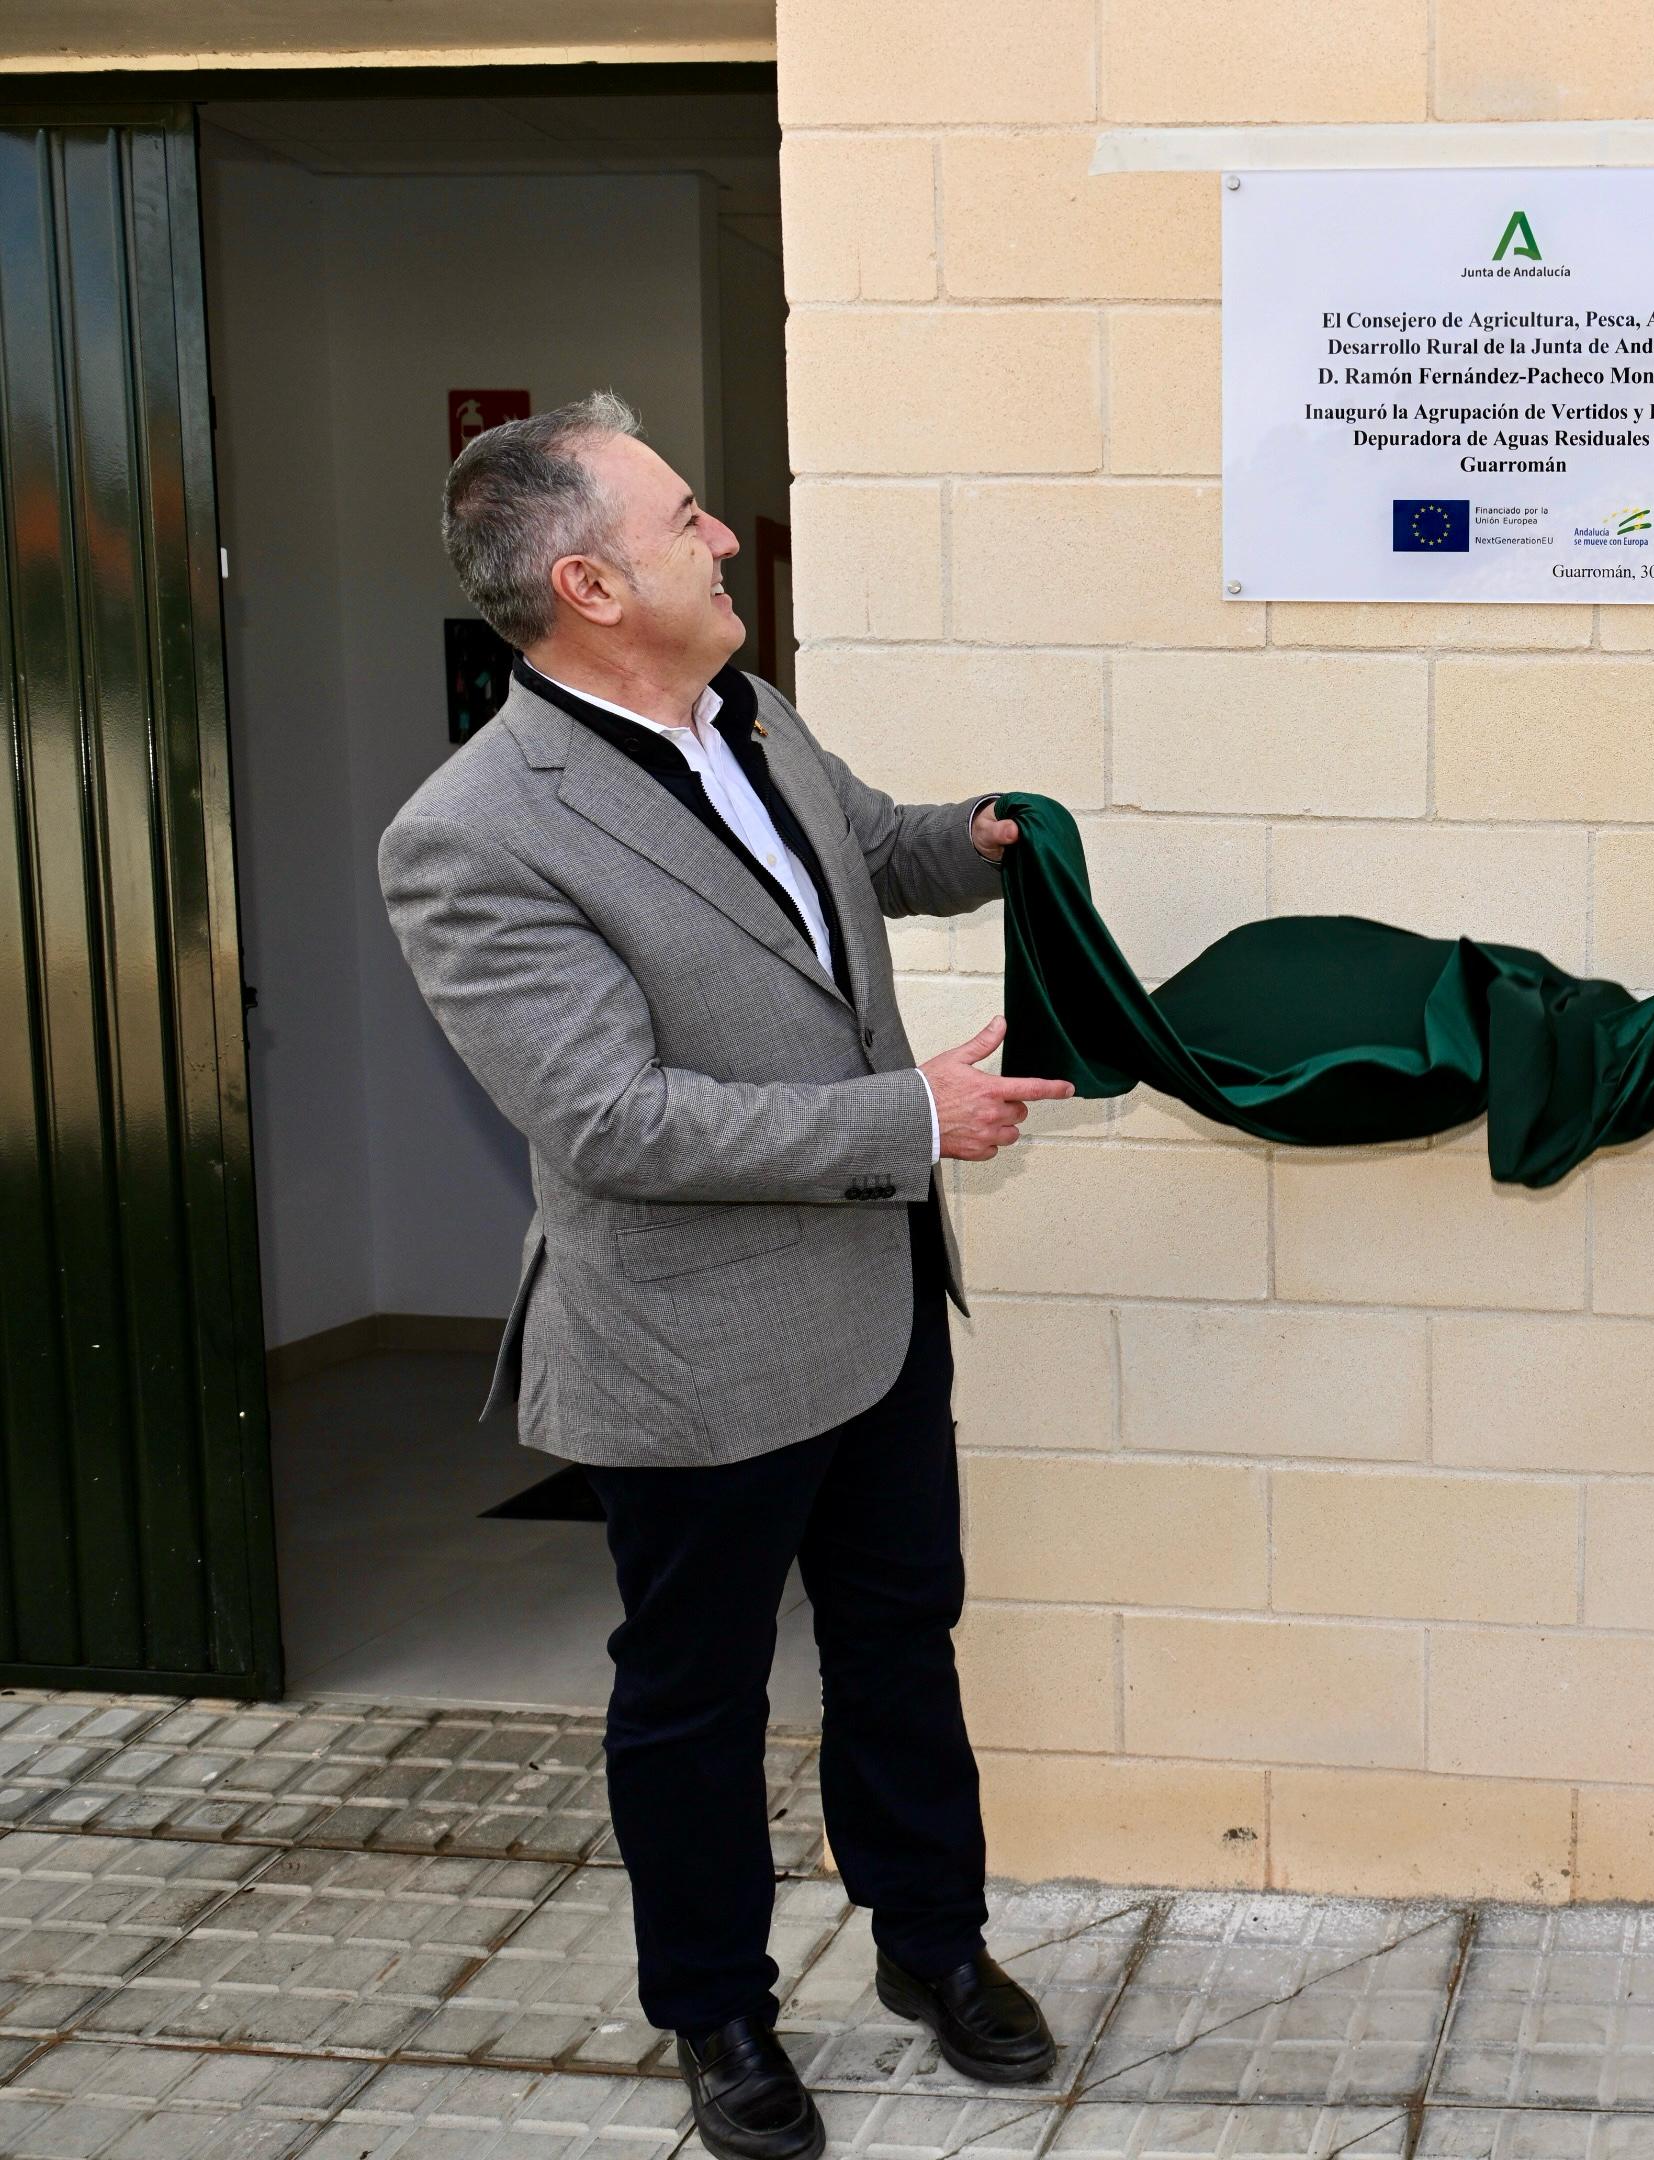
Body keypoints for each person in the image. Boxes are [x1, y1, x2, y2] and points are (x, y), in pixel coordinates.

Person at [383, 394, 1076, 2160]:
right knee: (694, 1700)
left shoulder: (746, 708)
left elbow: (874, 850)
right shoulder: (473, 834)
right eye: (686, 516)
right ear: (589, 584)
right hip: (689, 1350)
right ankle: (718, 2018)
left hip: (876, 1301)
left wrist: (990, 836)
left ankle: (931, 1948)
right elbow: (614, 1120)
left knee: (900, 1639)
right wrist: (911, 1116)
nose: (721, 535)